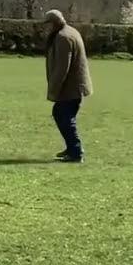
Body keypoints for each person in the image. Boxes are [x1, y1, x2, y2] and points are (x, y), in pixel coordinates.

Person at [43, 9, 92, 163]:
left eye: (48, 24)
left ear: (54, 23)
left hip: (71, 87)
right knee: (62, 115)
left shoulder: (63, 37)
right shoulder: (69, 31)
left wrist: (54, 89)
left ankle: (76, 151)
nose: (47, 28)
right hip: (74, 86)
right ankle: (72, 148)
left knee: (65, 116)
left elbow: (62, 67)